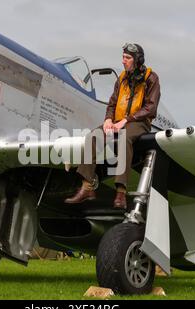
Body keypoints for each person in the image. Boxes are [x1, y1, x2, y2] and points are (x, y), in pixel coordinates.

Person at [64, 43, 161, 209]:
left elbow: (150, 108)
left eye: (128, 58)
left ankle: (121, 193)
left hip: (139, 122)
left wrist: (127, 119)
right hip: (117, 122)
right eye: (123, 57)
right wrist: (109, 119)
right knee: (93, 136)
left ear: (138, 60)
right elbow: (112, 103)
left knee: (125, 139)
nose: (123, 61)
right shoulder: (122, 78)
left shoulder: (152, 79)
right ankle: (87, 187)